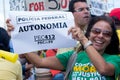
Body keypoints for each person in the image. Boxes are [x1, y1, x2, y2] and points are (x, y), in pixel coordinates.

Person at [23, 16, 120, 80]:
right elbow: (39, 62)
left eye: (107, 34)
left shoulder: (115, 60)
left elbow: (103, 69)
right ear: (89, 34)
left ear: (111, 39)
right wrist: (19, 38)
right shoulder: (73, 56)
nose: (101, 36)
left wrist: (84, 40)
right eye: (96, 31)